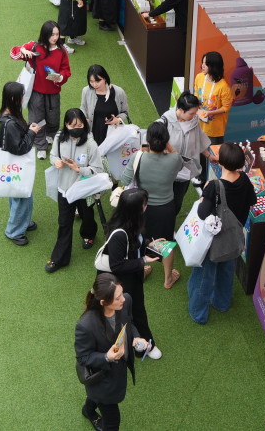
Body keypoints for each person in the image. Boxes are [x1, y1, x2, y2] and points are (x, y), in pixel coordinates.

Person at [188, 142, 255, 324]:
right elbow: (252, 200)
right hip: (233, 237)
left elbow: (202, 213)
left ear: (222, 162)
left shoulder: (214, 186)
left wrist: (204, 196)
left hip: (214, 240)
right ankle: (222, 303)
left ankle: (198, 313)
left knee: (204, 276)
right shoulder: (244, 179)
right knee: (226, 271)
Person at [75, 274, 151, 431]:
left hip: (117, 372)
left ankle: (88, 410)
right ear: (103, 302)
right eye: (118, 298)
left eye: (122, 293)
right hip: (103, 380)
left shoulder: (126, 301)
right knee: (112, 424)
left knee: (96, 397)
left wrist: (136, 338)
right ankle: (90, 408)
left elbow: (129, 323)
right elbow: (83, 357)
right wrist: (106, 357)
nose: (123, 299)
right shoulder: (86, 326)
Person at [97, 188, 162, 360]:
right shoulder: (119, 233)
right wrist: (144, 260)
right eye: (144, 204)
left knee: (136, 311)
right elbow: (116, 265)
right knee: (127, 313)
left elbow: (135, 242)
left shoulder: (131, 221)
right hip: (122, 281)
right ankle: (141, 346)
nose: (147, 206)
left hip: (132, 276)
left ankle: (144, 344)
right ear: (136, 209)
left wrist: (149, 244)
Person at [121, 120, 184, 290]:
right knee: (167, 243)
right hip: (165, 209)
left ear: (148, 140)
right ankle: (168, 279)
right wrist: (168, 145)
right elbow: (178, 159)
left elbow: (124, 180)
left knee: (138, 240)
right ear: (166, 140)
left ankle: (140, 271)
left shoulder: (138, 157)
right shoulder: (174, 159)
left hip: (140, 207)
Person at [45, 108, 98, 272]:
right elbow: (53, 155)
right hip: (65, 189)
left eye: (80, 125)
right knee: (64, 223)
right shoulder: (59, 138)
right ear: (66, 125)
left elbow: (97, 169)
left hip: (83, 189)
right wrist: (55, 161)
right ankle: (59, 259)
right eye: (72, 125)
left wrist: (79, 169)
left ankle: (88, 234)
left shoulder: (91, 144)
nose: (76, 129)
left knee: (87, 216)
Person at [10, 19, 70, 160]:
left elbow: (66, 70)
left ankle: (49, 135)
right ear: (45, 34)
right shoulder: (34, 46)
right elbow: (13, 53)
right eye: (52, 34)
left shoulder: (62, 51)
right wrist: (23, 50)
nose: (55, 38)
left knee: (53, 119)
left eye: (57, 34)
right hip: (35, 90)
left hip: (53, 91)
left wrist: (60, 77)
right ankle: (41, 146)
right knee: (36, 119)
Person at [0, 81, 44, 245]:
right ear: (13, 98)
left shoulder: (8, 115)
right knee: (21, 196)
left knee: (21, 194)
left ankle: (23, 221)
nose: (24, 98)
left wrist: (29, 129)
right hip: (16, 165)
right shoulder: (9, 122)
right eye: (21, 95)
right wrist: (31, 133)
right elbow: (20, 148)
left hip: (12, 166)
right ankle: (14, 232)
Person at [158, 91, 206, 219]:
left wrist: (209, 155)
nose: (194, 116)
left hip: (184, 172)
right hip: (166, 173)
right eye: (191, 113)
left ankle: (170, 222)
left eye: (195, 113)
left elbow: (199, 139)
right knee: (163, 203)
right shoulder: (163, 122)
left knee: (177, 202)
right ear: (180, 110)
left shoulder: (194, 121)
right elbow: (149, 144)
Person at [80, 64, 131, 145]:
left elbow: (125, 112)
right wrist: (84, 117)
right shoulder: (86, 91)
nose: (94, 85)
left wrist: (117, 119)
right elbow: (83, 107)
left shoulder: (119, 92)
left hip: (113, 134)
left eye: (98, 81)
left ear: (105, 78)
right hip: (93, 133)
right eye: (91, 81)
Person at [196, 51, 233, 152]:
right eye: (202, 62)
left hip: (214, 129)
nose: (202, 65)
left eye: (206, 64)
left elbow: (226, 107)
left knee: (213, 154)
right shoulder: (199, 77)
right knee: (200, 151)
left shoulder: (223, 86)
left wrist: (210, 113)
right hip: (199, 123)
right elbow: (196, 93)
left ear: (213, 66)